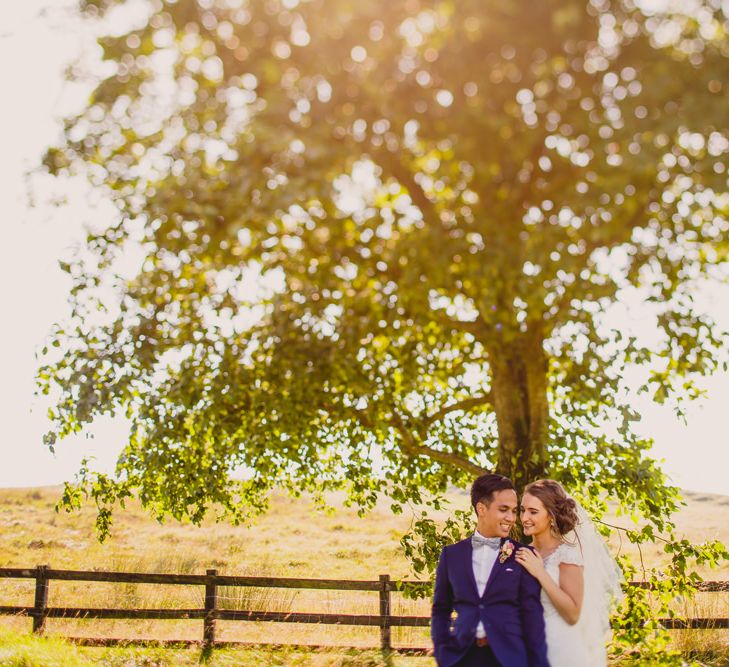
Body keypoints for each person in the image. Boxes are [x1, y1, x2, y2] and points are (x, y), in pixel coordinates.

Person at [431, 473, 550, 667]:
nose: (511, 518)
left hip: (508, 658)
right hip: (461, 657)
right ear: (481, 509)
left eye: (513, 510)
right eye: (503, 510)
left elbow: (532, 616)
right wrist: (442, 653)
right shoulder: (451, 555)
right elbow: (440, 609)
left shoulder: (524, 555)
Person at [515, 479, 623, 667]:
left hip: (560, 649)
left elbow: (573, 614)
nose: (524, 518)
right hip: (526, 648)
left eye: (533, 512)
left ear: (551, 515)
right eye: (523, 510)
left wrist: (541, 573)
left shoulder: (567, 555)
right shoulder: (522, 553)